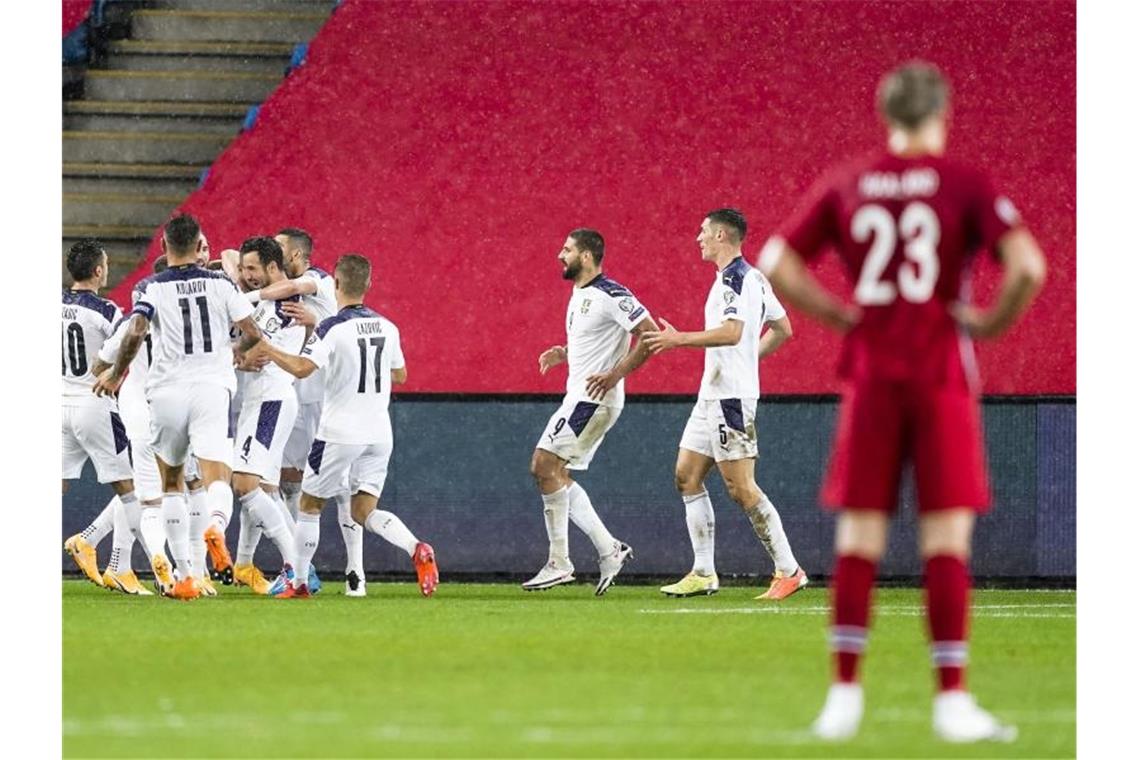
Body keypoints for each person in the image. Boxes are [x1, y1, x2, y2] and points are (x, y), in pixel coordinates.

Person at [757, 62, 1046, 742]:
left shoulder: (850, 180)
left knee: (860, 537)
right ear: (942, 114)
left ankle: (844, 700)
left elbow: (776, 260)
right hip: (941, 371)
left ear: (885, 115)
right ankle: (951, 702)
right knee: (945, 539)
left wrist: (839, 313)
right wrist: (990, 322)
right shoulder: (965, 183)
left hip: (873, 371)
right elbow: (1029, 265)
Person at [248, 253, 438, 598]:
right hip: (379, 433)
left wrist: (267, 347)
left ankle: (300, 582)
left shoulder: (332, 327)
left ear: (336, 284)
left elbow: (303, 369)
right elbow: (401, 374)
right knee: (364, 510)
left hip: (339, 431)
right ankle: (416, 547)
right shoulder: (387, 326)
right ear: (369, 284)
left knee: (308, 505)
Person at [94, 214, 262, 600]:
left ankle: (185, 574)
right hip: (210, 388)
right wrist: (231, 353)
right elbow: (254, 332)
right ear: (198, 244)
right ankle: (216, 528)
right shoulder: (220, 283)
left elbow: (136, 330)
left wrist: (119, 372)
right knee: (213, 475)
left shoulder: (150, 287)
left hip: (166, 392)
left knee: (170, 484)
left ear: (165, 246)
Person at [642, 209, 804, 600]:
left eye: (702, 232)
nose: (698, 238)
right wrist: (750, 361)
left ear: (720, 235)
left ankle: (789, 570)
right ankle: (703, 572)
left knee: (741, 488)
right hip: (712, 394)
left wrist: (679, 339)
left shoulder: (735, 280)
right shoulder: (753, 278)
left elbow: (733, 333)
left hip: (730, 398)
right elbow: (783, 329)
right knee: (686, 475)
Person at [524, 229, 657, 595]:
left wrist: (616, 375)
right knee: (556, 472)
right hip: (580, 397)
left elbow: (651, 334)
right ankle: (609, 549)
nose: (559, 254)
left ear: (586, 256)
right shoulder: (580, 293)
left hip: (592, 400)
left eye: (566, 249)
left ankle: (559, 562)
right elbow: (598, 341)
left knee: (542, 465)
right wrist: (566, 353)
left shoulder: (611, 293)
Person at [61, 239, 146, 593]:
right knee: (134, 489)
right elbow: (127, 345)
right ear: (98, 270)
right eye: (106, 264)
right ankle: (121, 567)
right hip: (93, 402)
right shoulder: (107, 311)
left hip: (56, 403)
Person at [228, 237, 308, 594]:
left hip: (270, 403)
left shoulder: (285, 306)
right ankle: (258, 564)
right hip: (261, 401)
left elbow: (253, 349)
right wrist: (241, 356)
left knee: (245, 484)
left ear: (274, 268)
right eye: (245, 269)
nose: (247, 275)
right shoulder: (267, 305)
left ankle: (296, 568)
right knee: (262, 487)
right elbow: (246, 354)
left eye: (253, 269)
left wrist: (243, 354)